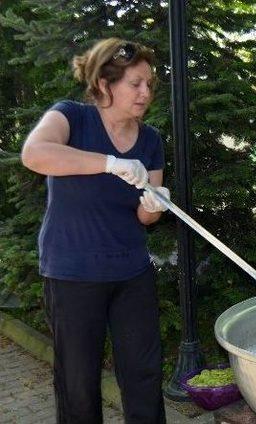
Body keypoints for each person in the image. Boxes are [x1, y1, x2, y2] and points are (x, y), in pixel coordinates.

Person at [21, 38, 170, 423]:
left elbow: (145, 217)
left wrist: (154, 203)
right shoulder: (70, 117)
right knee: (78, 383)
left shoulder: (151, 139)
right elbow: (35, 154)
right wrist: (108, 162)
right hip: (72, 274)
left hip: (131, 273)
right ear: (105, 84)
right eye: (135, 83)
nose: (145, 92)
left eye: (149, 84)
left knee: (143, 375)